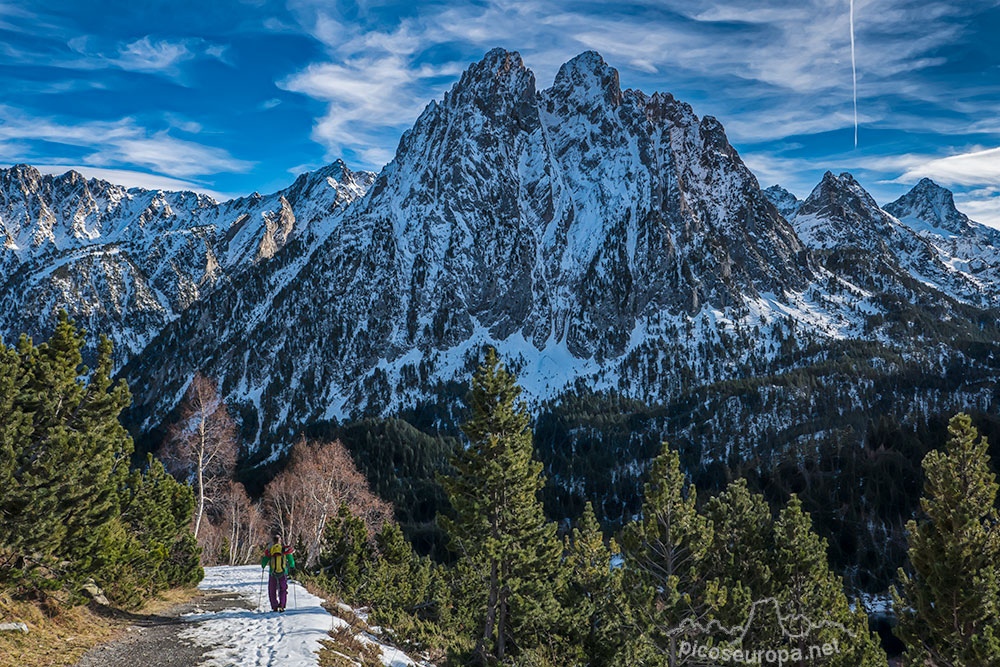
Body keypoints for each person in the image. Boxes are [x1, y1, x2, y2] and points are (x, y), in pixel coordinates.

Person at [261, 534, 295, 612]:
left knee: (272, 590)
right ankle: (282, 605)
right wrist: (292, 566)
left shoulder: (270, 550)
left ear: (273, 541)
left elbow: (264, 561)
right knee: (283, 589)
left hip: (272, 573)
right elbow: (291, 560)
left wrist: (263, 566)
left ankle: (274, 606)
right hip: (283, 572)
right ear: (280, 541)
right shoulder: (284, 550)